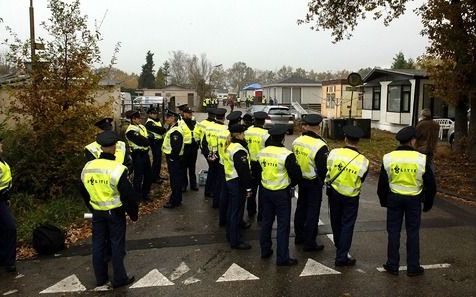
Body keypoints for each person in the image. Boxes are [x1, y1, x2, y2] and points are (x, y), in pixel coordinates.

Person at [80, 130, 138, 288]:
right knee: (116, 244)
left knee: (98, 244)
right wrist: (133, 214)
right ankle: (119, 278)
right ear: (114, 148)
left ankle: (100, 278)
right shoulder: (117, 169)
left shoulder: (88, 167)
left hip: (97, 212)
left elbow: (83, 190)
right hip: (115, 213)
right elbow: (128, 195)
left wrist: (91, 206)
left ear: (100, 147)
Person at [377, 126, 437, 277]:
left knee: (393, 232)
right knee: (413, 232)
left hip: (394, 199)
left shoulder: (388, 157)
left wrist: (385, 201)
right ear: (412, 141)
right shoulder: (421, 159)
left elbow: (382, 185)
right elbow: (431, 185)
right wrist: (427, 204)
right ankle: (413, 267)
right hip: (414, 200)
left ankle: (392, 265)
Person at [325, 125, 369, 266]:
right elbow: (361, 179)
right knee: (347, 225)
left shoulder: (334, 153)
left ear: (345, 138)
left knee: (336, 221)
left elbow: (329, 169)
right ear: (358, 141)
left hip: (334, 193)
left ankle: (340, 247)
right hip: (351, 196)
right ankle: (342, 256)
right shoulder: (363, 161)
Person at [258, 124, 302, 266]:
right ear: (283, 138)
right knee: (283, 225)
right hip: (281, 193)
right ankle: (282, 257)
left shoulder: (262, 152)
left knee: (266, 222)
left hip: (265, 191)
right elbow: (296, 175)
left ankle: (265, 250)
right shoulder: (287, 155)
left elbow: (259, 170)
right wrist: (290, 184)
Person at [292, 114, 328, 252]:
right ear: (318, 127)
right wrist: (322, 181)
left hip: (301, 180)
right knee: (313, 211)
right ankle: (310, 241)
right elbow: (323, 168)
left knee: (301, 207)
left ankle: (299, 236)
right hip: (313, 182)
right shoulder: (320, 145)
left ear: (306, 126)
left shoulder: (297, 141)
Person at [224, 124, 253, 250]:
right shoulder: (239, 150)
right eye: (243, 133)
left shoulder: (230, 145)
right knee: (236, 211)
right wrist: (248, 188)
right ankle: (235, 241)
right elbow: (243, 171)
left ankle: (230, 235)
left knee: (231, 209)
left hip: (230, 180)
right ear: (239, 134)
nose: (244, 135)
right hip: (237, 182)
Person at [217, 111, 243, 227]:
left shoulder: (221, 132)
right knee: (236, 198)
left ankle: (223, 218)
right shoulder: (234, 136)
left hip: (223, 164)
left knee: (224, 193)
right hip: (233, 167)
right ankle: (237, 221)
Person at [244, 111, 270, 222]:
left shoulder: (246, 132)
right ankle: (262, 215)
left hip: (249, 164)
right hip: (262, 165)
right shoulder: (266, 134)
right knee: (263, 190)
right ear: (264, 121)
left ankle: (250, 210)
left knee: (251, 189)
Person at [125, 110, 152, 202]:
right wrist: (148, 140)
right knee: (138, 176)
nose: (140, 120)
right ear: (133, 119)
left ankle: (145, 193)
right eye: (138, 118)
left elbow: (147, 138)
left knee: (148, 174)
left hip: (145, 154)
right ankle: (137, 195)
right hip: (137, 155)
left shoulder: (141, 127)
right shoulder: (130, 130)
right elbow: (143, 142)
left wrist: (147, 140)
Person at [162, 110, 185, 209]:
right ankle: (177, 199)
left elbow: (176, 147)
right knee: (176, 179)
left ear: (172, 118)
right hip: (174, 158)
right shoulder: (173, 128)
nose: (166, 119)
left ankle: (174, 201)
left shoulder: (175, 131)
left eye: (167, 117)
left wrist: (172, 158)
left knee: (175, 180)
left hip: (174, 159)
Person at [0, 136, 16, 273]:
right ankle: (8, 261)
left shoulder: (1, 161)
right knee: (10, 228)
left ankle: (6, 259)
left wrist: (6, 197)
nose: (1, 146)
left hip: (2, 199)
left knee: (6, 229)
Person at [195, 108, 216, 198]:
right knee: (212, 169)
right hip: (212, 149)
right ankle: (209, 190)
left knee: (212, 168)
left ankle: (210, 189)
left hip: (205, 148)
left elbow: (196, 134)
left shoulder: (202, 123)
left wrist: (198, 143)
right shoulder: (214, 124)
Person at [177, 105, 198, 192]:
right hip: (185, 148)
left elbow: (198, 132)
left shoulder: (194, 122)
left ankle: (193, 185)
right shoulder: (179, 123)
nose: (190, 114)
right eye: (188, 113)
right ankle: (183, 185)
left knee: (192, 167)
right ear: (184, 113)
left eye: (191, 113)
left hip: (193, 147)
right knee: (183, 167)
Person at [145, 108, 167, 183]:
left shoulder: (156, 121)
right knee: (156, 160)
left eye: (156, 113)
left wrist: (162, 129)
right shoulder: (149, 123)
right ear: (150, 114)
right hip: (155, 143)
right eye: (153, 113)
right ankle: (154, 177)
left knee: (159, 160)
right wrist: (162, 129)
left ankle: (157, 175)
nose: (155, 115)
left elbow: (161, 129)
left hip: (159, 142)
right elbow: (160, 130)